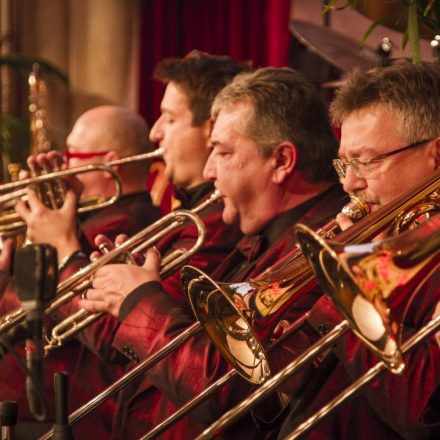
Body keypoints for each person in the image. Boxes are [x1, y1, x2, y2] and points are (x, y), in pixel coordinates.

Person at [79, 66, 348, 439]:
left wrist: (140, 300)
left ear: (282, 161)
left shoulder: (327, 248)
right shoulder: (258, 236)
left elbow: (228, 390)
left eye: (222, 152)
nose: (208, 171)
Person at [15, 52, 248, 438]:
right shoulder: (188, 216)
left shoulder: (216, 226)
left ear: (211, 129)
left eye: (170, 119)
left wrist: (65, 250)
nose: (155, 132)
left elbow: (114, 334)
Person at [278, 62, 440, 439]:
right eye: (345, 163)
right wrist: (297, 369)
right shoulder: (378, 240)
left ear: (435, 154)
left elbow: (424, 412)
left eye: (367, 160)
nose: (350, 182)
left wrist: (347, 290)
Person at [0, 105, 162, 439]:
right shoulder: (89, 219)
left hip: (63, 409)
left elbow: (50, 308)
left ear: (110, 163)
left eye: (73, 154)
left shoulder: (132, 224)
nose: (61, 165)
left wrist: (6, 280)